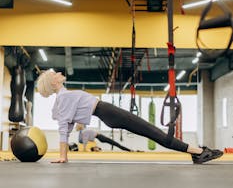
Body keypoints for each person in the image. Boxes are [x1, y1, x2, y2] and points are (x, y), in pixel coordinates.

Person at [36, 70, 223, 164]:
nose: (59, 73)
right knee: (154, 132)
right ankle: (198, 152)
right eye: (56, 74)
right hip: (107, 112)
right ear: (53, 81)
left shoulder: (65, 96)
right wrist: (63, 156)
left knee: (153, 132)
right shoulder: (64, 97)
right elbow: (64, 127)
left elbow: (66, 124)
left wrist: (64, 156)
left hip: (107, 112)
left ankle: (196, 152)